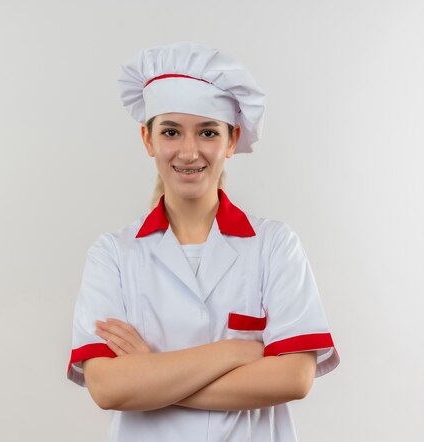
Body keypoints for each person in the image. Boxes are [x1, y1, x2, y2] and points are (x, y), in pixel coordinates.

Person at [67, 41, 340, 442]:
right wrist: (236, 353)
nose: (189, 151)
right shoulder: (113, 254)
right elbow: (108, 388)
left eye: (208, 132)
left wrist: (150, 375)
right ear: (148, 139)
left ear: (231, 141)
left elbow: (295, 378)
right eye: (171, 132)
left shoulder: (274, 245)